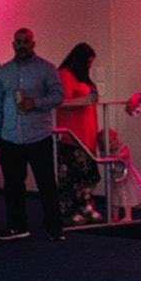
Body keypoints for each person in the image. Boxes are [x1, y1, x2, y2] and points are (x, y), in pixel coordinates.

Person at [0, 27, 64, 241]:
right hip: (10, 137)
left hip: (38, 136)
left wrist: (35, 103)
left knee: (46, 183)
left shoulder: (46, 69)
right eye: (19, 41)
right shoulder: (3, 72)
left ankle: (54, 227)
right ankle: (17, 226)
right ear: (13, 45)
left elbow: (58, 96)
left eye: (26, 41)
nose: (22, 45)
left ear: (33, 44)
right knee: (12, 185)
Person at [56, 42, 102, 225]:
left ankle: (85, 206)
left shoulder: (83, 78)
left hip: (87, 136)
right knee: (72, 177)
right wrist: (84, 100)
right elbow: (62, 102)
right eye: (88, 63)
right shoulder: (65, 75)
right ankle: (68, 210)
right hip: (72, 137)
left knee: (87, 175)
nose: (90, 66)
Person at [97, 128, 141, 224]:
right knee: (115, 198)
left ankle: (128, 216)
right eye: (109, 142)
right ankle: (115, 215)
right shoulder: (106, 154)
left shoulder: (122, 148)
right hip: (115, 179)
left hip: (126, 177)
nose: (113, 143)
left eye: (114, 139)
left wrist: (114, 156)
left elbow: (125, 154)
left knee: (126, 197)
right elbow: (102, 159)